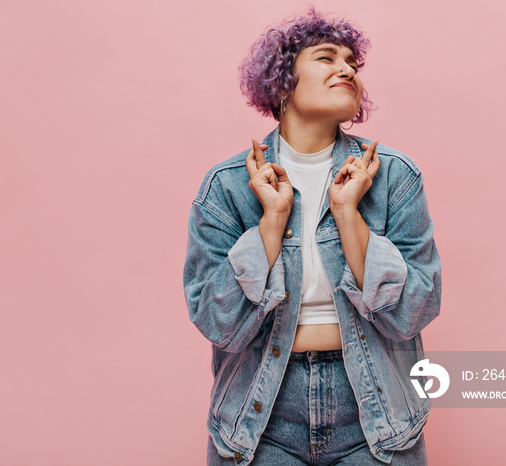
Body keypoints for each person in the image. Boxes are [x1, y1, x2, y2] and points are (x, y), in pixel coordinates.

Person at [183, 7, 441, 465]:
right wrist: (270, 221)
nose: (347, 69)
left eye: (352, 64)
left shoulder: (394, 177)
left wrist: (348, 215)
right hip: (259, 416)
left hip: (377, 411)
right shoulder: (225, 187)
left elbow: (413, 311)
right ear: (282, 82)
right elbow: (217, 322)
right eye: (327, 58)